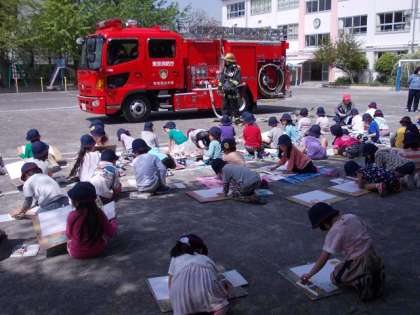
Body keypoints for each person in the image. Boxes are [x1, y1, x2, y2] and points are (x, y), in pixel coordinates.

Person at [301, 202, 384, 301]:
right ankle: (374, 271)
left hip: (359, 261)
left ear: (324, 223)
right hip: (373, 254)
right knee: (343, 264)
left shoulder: (335, 231)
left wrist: (310, 274)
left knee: (335, 277)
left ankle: (359, 280)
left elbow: (324, 257)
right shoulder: (351, 216)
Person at [168, 234, 230, 315]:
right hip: (205, 298)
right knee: (224, 304)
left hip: (182, 303)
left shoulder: (175, 258)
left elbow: (170, 282)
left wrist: (174, 296)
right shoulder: (206, 259)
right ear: (200, 249)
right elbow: (218, 279)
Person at [66, 182, 117, 259]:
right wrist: (113, 221)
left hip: (77, 253)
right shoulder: (98, 213)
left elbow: (68, 235)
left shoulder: (72, 215)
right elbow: (111, 233)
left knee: (69, 242)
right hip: (98, 250)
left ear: (75, 202)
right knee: (102, 235)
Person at [218, 52, 241, 123]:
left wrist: (230, 84)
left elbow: (237, 80)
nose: (225, 62)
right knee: (224, 107)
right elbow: (222, 78)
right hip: (226, 91)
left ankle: (237, 120)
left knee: (234, 106)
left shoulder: (236, 69)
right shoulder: (225, 69)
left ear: (230, 61)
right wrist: (219, 87)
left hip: (232, 91)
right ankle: (226, 120)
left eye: (226, 61)